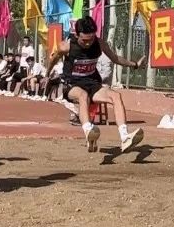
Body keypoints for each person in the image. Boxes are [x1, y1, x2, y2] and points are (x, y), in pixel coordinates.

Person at [47, 16, 145, 153]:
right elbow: (53, 59)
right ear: (77, 35)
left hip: (93, 83)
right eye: (84, 40)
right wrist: (47, 74)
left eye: (91, 39)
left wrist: (134, 64)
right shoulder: (65, 46)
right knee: (83, 96)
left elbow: (115, 58)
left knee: (116, 96)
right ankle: (88, 130)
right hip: (72, 84)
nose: (88, 44)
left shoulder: (100, 43)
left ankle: (125, 137)